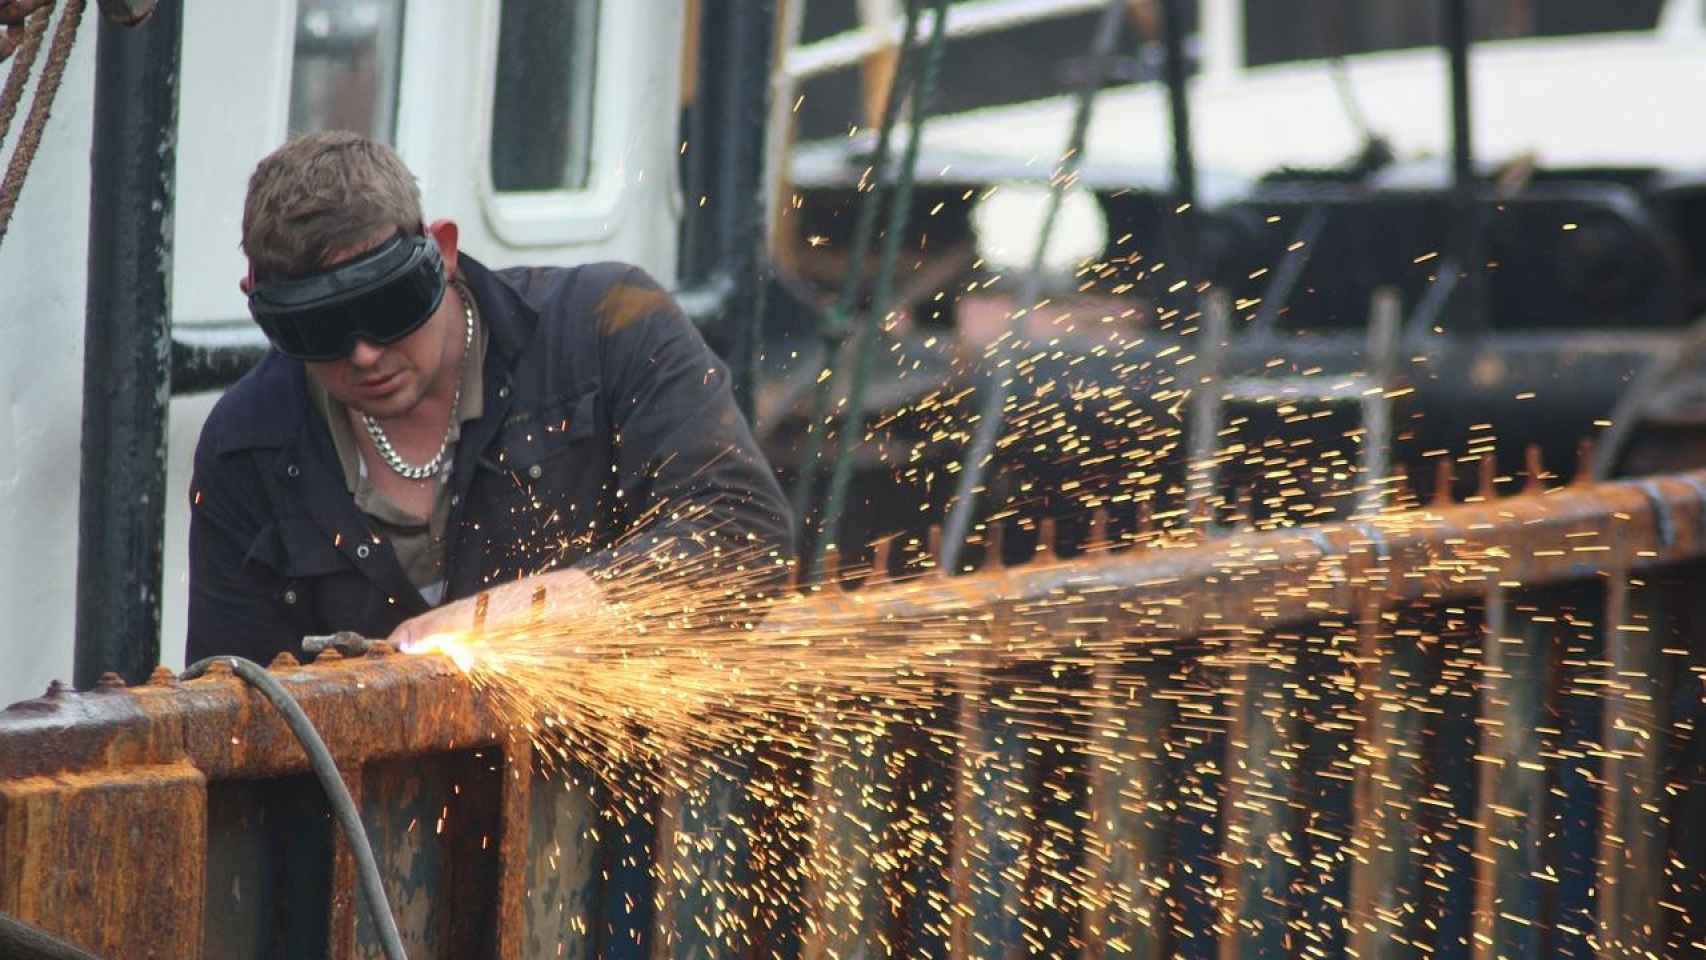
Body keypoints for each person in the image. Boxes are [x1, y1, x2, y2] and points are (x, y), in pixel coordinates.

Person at [186, 132, 794, 664]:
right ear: (255, 300)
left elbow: (741, 532)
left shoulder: (610, 327)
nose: (364, 353)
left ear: (441, 252)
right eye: (316, 331)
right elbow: (238, 703)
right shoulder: (247, 443)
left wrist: (525, 614)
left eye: (386, 310)